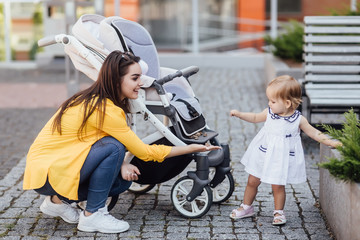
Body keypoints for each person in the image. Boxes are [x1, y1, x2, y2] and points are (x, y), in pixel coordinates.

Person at [23, 50, 220, 234]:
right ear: (116, 80)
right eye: (134, 78)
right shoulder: (106, 109)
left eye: (140, 77)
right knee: (114, 148)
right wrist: (190, 148)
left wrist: (123, 163)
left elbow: (95, 139)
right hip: (49, 172)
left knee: (120, 181)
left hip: (46, 171)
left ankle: (57, 201)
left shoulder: (93, 99)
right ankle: (93, 215)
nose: (140, 83)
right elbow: (143, 152)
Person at [229, 75, 341, 226]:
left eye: (273, 101)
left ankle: (279, 212)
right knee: (252, 180)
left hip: (280, 158)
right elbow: (255, 117)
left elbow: (314, 133)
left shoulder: (298, 119)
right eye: (269, 100)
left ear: (287, 103)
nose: (269, 103)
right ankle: (247, 207)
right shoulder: (269, 113)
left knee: (278, 185)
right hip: (263, 153)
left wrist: (331, 141)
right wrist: (240, 114)